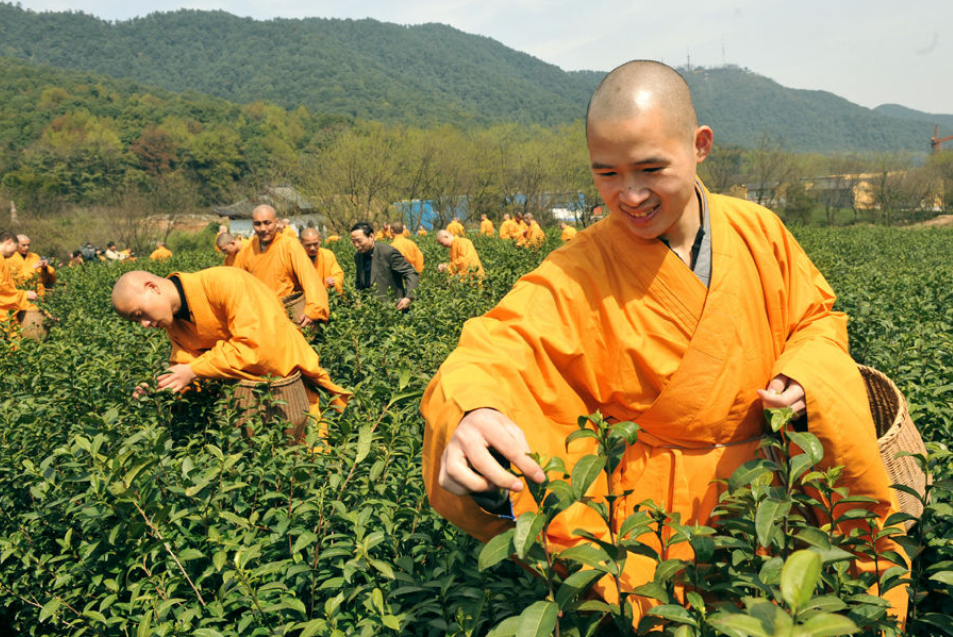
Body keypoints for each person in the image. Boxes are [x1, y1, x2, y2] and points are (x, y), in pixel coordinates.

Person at [420, 60, 905, 622]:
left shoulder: (759, 231)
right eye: (607, 174)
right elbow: (499, 346)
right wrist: (472, 410)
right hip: (654, 528)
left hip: (778, 500)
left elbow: (817, 320)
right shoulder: (576, 270)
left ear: (699, 146)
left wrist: (806, 375)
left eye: (651, 168)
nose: (630, 195)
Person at [111, 268, 350, 442]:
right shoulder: (173, 323)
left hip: (286, 389)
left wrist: (193, 370)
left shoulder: (226, 282)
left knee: (309, 461)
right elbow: (185, 366)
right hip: (243, 406)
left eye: (139, 313)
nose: (143, 324)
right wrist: (161, 386)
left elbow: (257, 344)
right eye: (136, 320)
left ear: (152, 288)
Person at [232, 205, 329, 328]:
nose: (263, 228)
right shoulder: (247, 250)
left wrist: (313, 310)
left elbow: (310, 279)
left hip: (288, 313)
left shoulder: (289, 245)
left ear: (276, 222)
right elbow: (238, 284)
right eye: (258, 224)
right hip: (259, 316)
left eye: (267, 223)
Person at [350, 222, 419, 311]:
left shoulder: (387, 252)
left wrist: (409, 297)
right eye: (353, 241)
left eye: (359, 241)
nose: (356, 245)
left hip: (393, 307)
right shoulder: (358, 256)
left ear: (371, 236)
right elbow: (359, 282)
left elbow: (410, 272)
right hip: (369, 310)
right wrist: (358, 299)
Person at [0, 231, 38, 326]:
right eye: (15, 248)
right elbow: (2, 287)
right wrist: (24, 294)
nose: (14, 252)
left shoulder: (3, 259)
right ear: (9, 241)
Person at [299, 228, 345, 295]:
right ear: (301, 243)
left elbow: (338, 274)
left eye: (315, 244)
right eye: (308, 245)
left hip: (328, 295)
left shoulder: (328, 255)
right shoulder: (297, 258)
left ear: (320, 241)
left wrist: (334, 280)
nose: (312, 248)